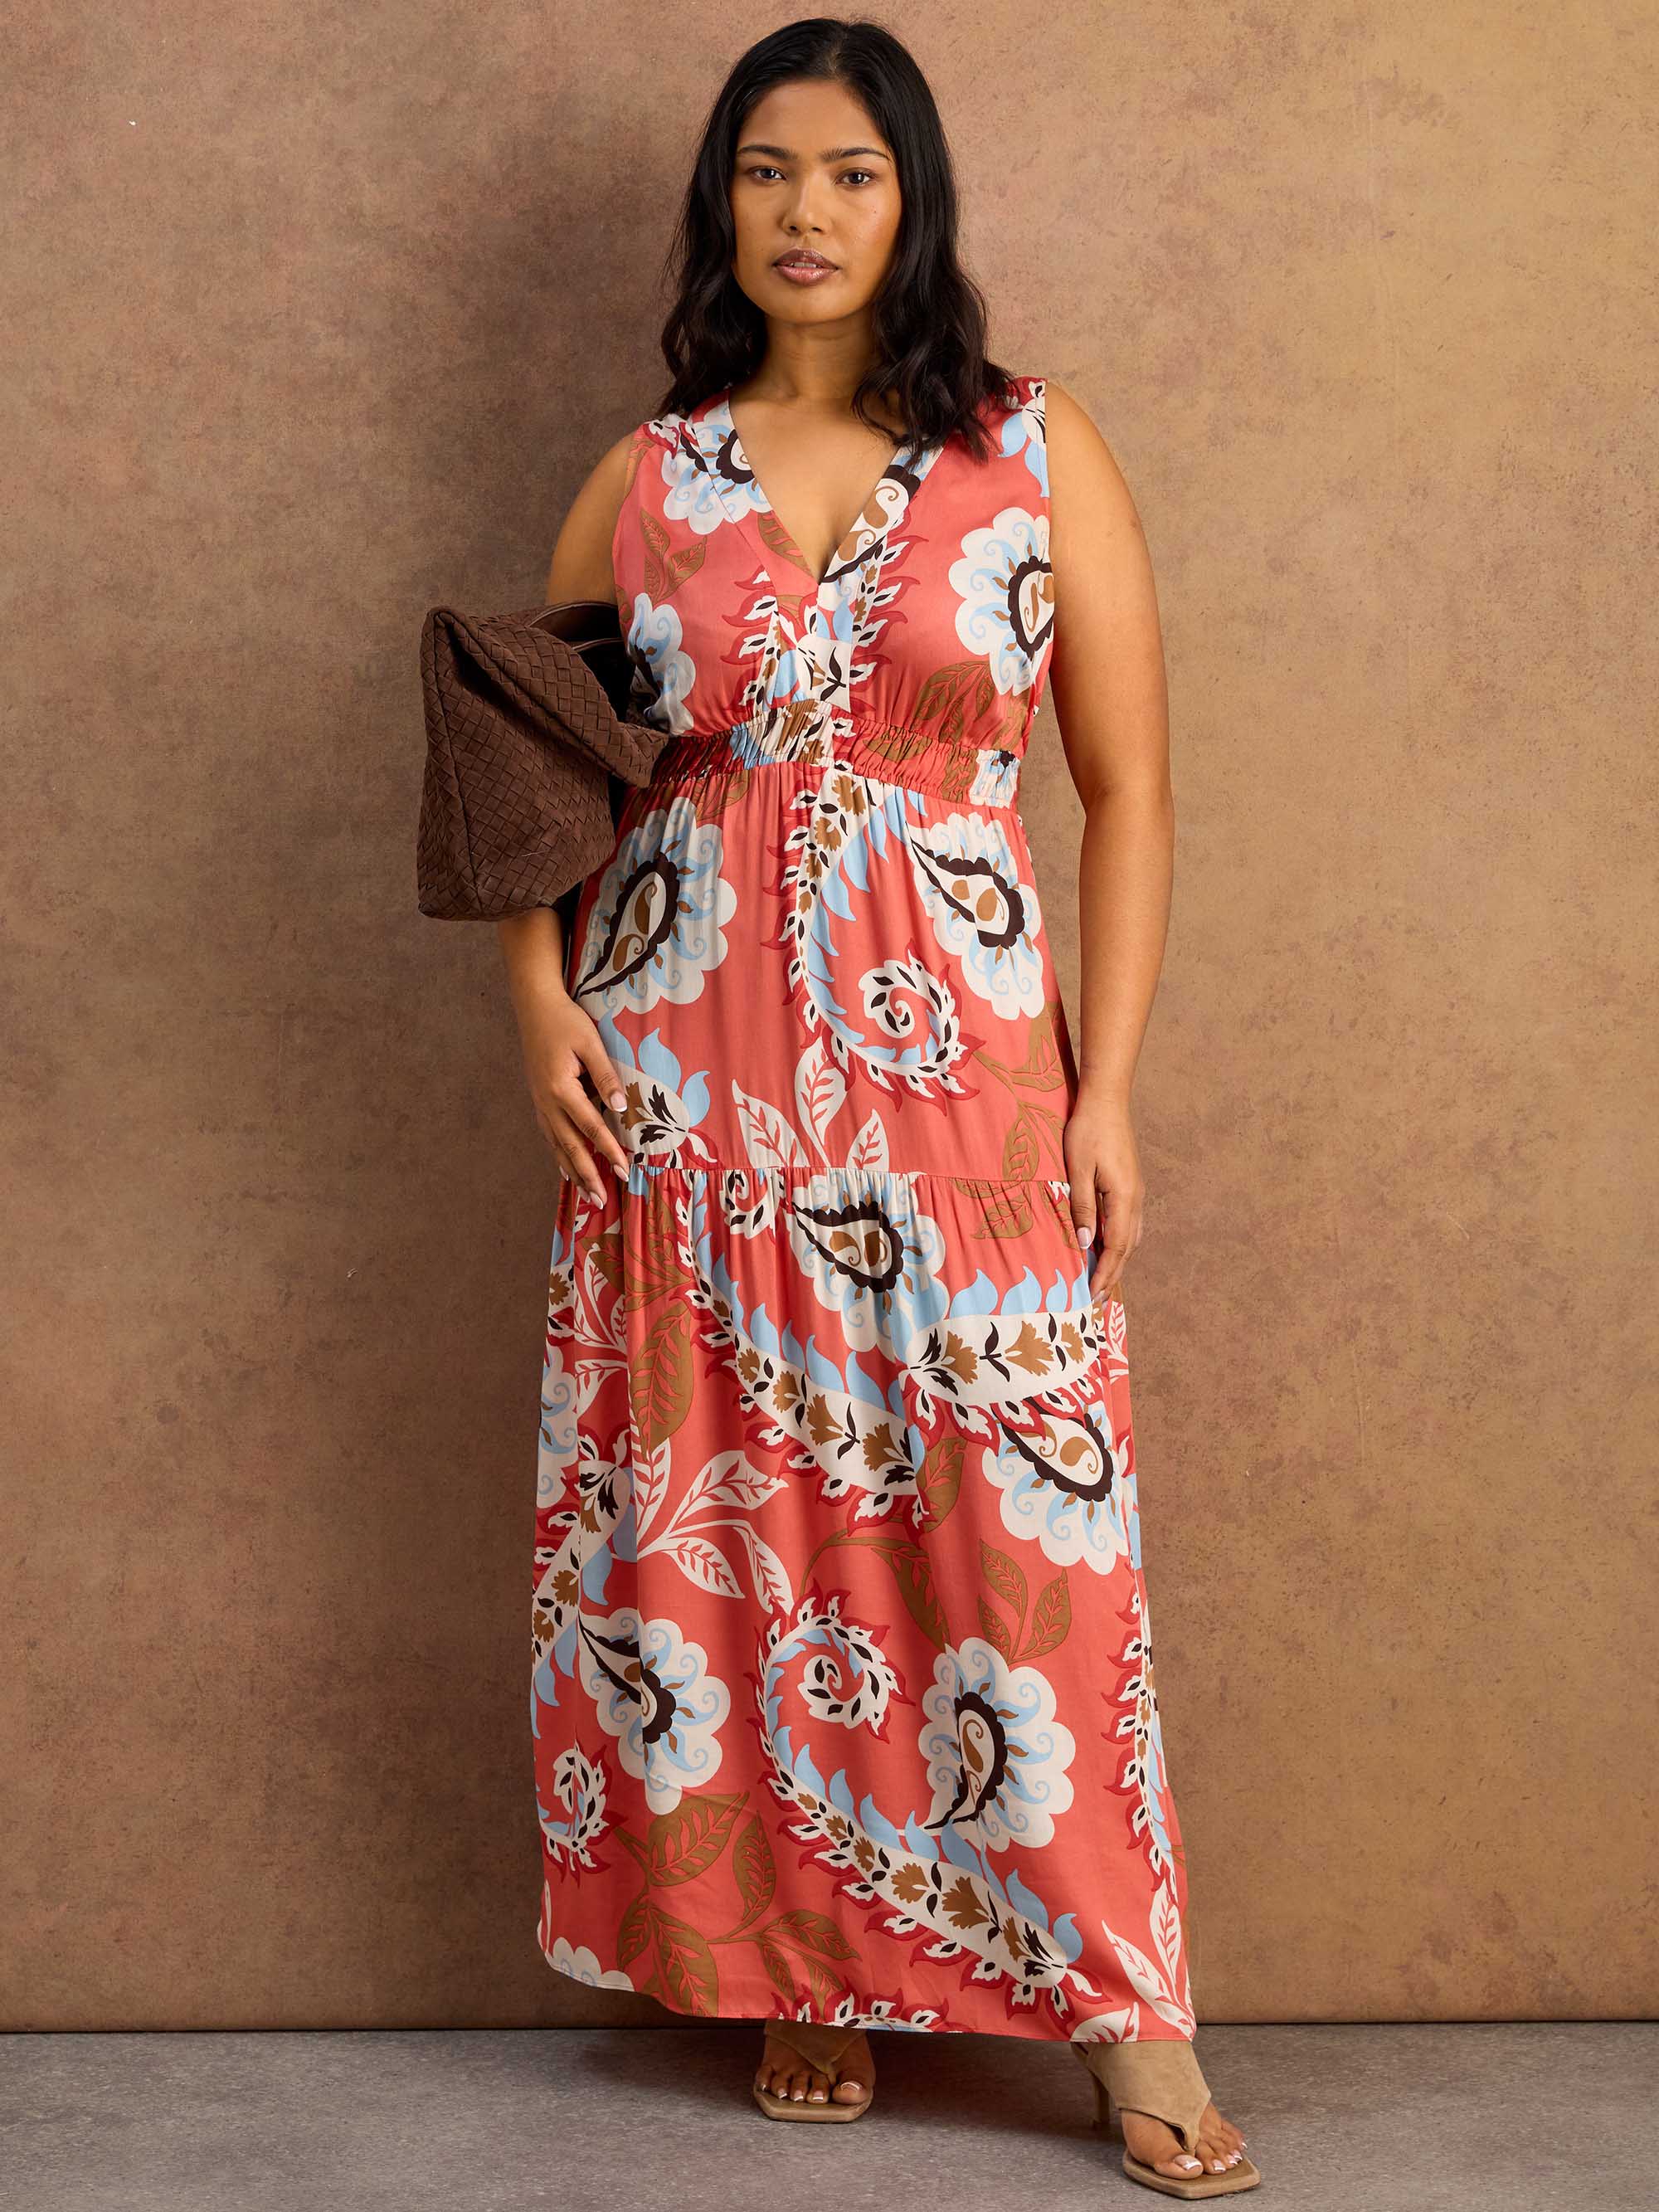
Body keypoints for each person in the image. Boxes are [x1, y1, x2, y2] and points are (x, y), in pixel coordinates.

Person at [495, 17, 1257, 2197]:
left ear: (910, 199)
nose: (804, 213)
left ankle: (1130, 2014)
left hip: (963, 1085)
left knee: (1020, 1529)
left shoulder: (1028, 452)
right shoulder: (649, 478)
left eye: (846, 173)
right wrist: (533, 1006)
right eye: (764, 172)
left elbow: (1130, 789)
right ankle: (812, 1963)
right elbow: (522, 774)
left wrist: (1109, 1088)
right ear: (720, 207)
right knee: (749, 1521)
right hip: (688, 1085)